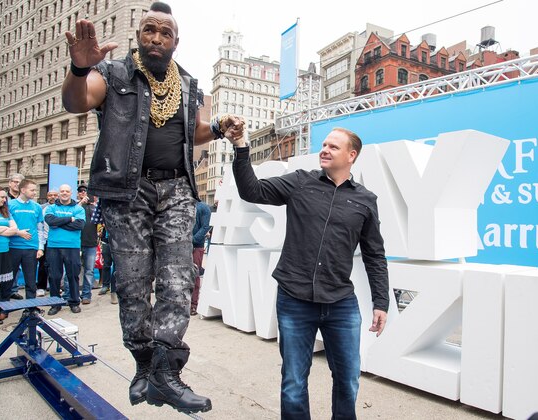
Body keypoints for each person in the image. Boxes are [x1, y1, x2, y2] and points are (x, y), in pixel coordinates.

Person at [60, 2, 244, 414]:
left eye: (165, 32)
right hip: (126, 191)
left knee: (179, 280)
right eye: (149, 30)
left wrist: (216, 128)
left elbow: (192, 131)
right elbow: (76, 102)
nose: (156, 37)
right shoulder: (112, 73)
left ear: (176, 41)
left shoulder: (191, 84)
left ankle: (165, 372)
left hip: (177, 190)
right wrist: (77, 68)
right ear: (139, 36)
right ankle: (145, 364)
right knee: (132, 283)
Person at [227, 127, 390, 420]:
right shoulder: (300, 182)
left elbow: (374, 254)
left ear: (352, 155)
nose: (325, 149)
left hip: (341, 303)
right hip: (294, 300)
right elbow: (251, 190)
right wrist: (240, 148)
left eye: (334, 147)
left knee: (348, 379)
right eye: (324, 144)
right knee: (293, 382)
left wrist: (381, 302)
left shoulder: (366, 200)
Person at [0, 187, 30, 326]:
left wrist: (1, 230)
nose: (4, 200)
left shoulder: (6, 212)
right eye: (2, 197)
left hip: (3, 251)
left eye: (5, 198)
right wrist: (8, 230)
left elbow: (14, 229)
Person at [0, 180, 44, 321]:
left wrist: (40, 247)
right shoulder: (10, 205)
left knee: (30, 280)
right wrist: (18, 232)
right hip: (12, 247)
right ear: (23, 190)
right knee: (7, 280)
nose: (35, 193)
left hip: (31, 248)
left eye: (35, 190)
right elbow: (4, 224)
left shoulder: (36, 207)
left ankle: (31, 309)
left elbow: (40, 228)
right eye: (32, 190)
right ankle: (4, 308)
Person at [44, 184, 85, 315]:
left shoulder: (78, 208)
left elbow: (79, 225)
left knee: (73, 275)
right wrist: (69, 219)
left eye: (67, 191)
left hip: (72, 246)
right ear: (59, 193)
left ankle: (74, 302)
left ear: (71, 192)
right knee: (54, 276)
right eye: (62, 191)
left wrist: (59, 223)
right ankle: (55, 304)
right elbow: (50, 221)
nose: (64, 193)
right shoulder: (51, 207)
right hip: (54, 246)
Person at [76, 185, 98, 304]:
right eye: (81, 191)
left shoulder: (94, 207)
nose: (83, 193)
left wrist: (94, 204)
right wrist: (80, 202)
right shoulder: (75, 205)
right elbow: (71, 213)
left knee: (89, 271)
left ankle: (86, 295)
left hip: (91, 243)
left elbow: (101, 220)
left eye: (86, 191)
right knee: (74, 270)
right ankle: (72, 295)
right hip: (76, 243)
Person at [5, 173, 25, 299]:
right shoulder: (4, 198)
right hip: (5, 236)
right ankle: (4, 292)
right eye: (14, 181)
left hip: (20, 238)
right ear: (9, 183)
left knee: (16, 267)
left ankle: (13, 289)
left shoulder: (24, 199)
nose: (16, 184)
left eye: (19, 182)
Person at [36, 189, 59, 297]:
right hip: (45, 240)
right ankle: (41, 287)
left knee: (56, 265)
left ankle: (55, 287)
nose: (53, 197)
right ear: (47, 196)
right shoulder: (41, 208)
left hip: (57, 240)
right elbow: (39, 225)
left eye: (55, 195)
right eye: (50, 195)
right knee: (43, 265)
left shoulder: (61, 208)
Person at [191, 201, 211, 316]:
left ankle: (193, 304)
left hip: (196, 246)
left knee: (194, 275)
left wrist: (192, 240)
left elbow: (205, 227)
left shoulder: (203, 207)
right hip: (184, 245)